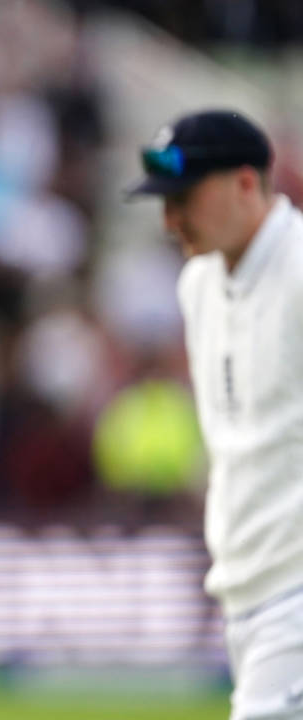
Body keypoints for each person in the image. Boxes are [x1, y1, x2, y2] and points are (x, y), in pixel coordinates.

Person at [129, 109, 303, 720]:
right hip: (244, 588)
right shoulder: (197, 283)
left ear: (246, 184)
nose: (170, 220)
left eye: (184, 198)